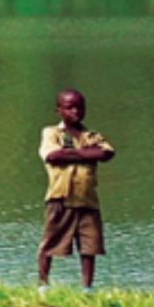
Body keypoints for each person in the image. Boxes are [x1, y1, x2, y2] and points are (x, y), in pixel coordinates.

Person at [37, 88, 115, 292]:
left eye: (80, 107)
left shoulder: (91, 135)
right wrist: (87, 154)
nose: (76, 112)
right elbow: (53, 156)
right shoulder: (51, 133)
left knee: (89, 246)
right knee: (50, 242)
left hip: (87, 200)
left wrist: (71, 153)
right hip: (60, 197)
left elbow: (106, 153)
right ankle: (43, 285)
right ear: (59, 110)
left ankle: (87, 288)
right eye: (70, 108)